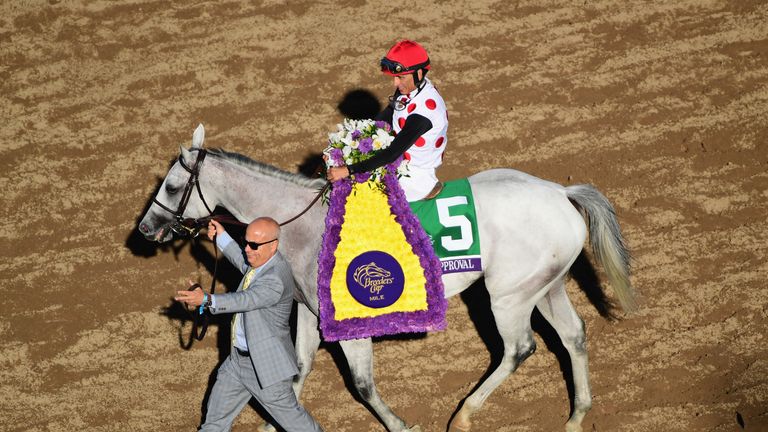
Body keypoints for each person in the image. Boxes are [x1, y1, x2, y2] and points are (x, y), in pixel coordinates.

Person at [175, 217, 323, 432]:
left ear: (273, 245)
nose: (247, 249)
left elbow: (244, 300)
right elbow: (241, 259)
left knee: (299, 426)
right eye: (246, 242)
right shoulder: (261, 262)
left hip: (267, 369)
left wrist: (207, 300)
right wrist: (222, 236)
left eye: (253, 245)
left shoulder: (275, 278)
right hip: (236, 364)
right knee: (214, 424)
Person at [326, 39, 448, 202]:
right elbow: (388, 115)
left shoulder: (424, 114)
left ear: (418, 74)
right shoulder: (412, 88)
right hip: (399, 160)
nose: (396, 83)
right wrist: (342, 149)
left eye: (400, 77)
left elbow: (391, 154)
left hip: (414, 178)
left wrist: (348, 169)